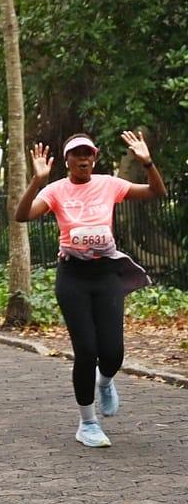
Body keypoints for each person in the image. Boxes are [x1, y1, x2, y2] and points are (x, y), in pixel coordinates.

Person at [16, 131, 168, 448]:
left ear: (94, 158)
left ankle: (106, 381)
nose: (83, 159)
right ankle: (87, 423)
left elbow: (157, 192)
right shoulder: (56, 190)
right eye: (76, 154)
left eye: (88, 154)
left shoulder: (109, 184)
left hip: (106, 274)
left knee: (112, 353)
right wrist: (37, 181)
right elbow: (22, 215)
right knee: (86, 351)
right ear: (67, 160)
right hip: (73, 277)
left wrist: (147, 162)